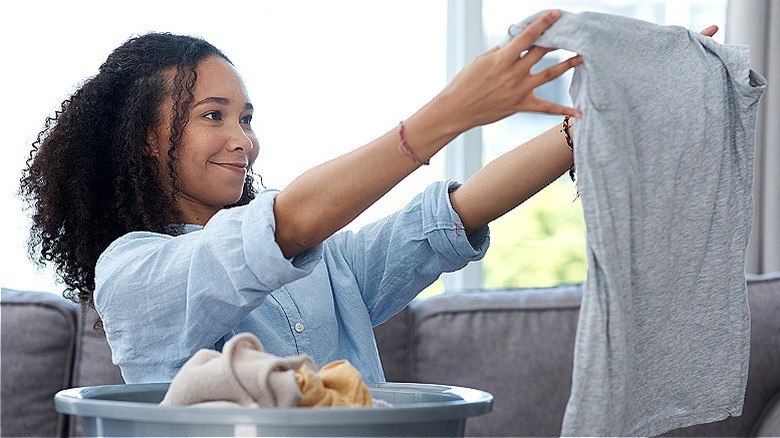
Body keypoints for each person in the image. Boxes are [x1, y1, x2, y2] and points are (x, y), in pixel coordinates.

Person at [20, 10, 589, 383]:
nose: (242, 140)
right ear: (145, 137)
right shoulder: (132, 274)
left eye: (245, 118)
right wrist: (451, 113)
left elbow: (447, 219)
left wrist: (580, 133)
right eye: (212, 116)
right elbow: (282, 226)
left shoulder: (324, 265)